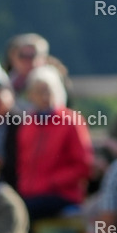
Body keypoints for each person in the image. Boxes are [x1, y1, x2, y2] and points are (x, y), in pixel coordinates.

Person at [15, 64, 93, 221]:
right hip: (30, 193)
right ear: (30, 95)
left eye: (47, 91)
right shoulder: (27, 124)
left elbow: (83, 165)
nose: (43, 96)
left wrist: (52, 182)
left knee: (19, 213)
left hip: (61, 195)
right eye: (38, 92)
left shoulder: (71, 121)